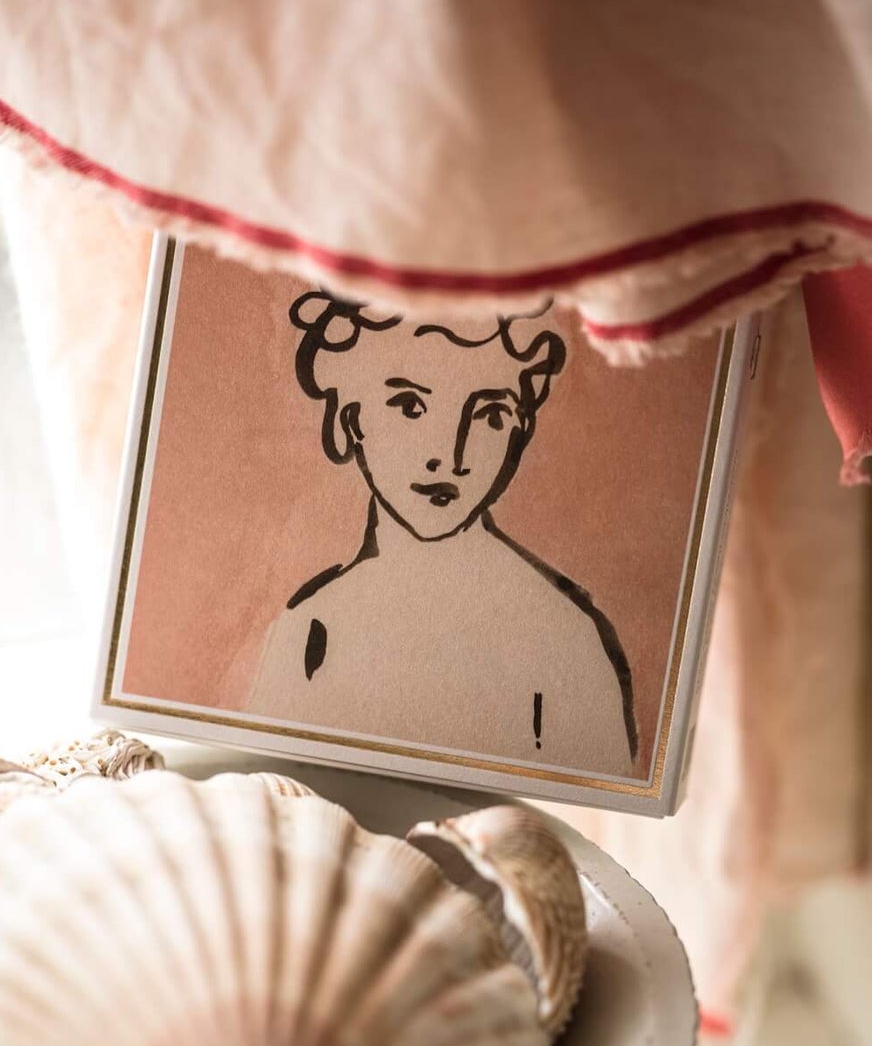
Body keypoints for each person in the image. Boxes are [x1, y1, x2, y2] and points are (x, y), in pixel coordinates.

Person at [247, 291, 637, 775]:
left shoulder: (565, 641)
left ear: (519, 431)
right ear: (350, 419)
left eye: (490, 415)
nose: (450, 455)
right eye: (410, 406)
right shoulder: (309, 630)